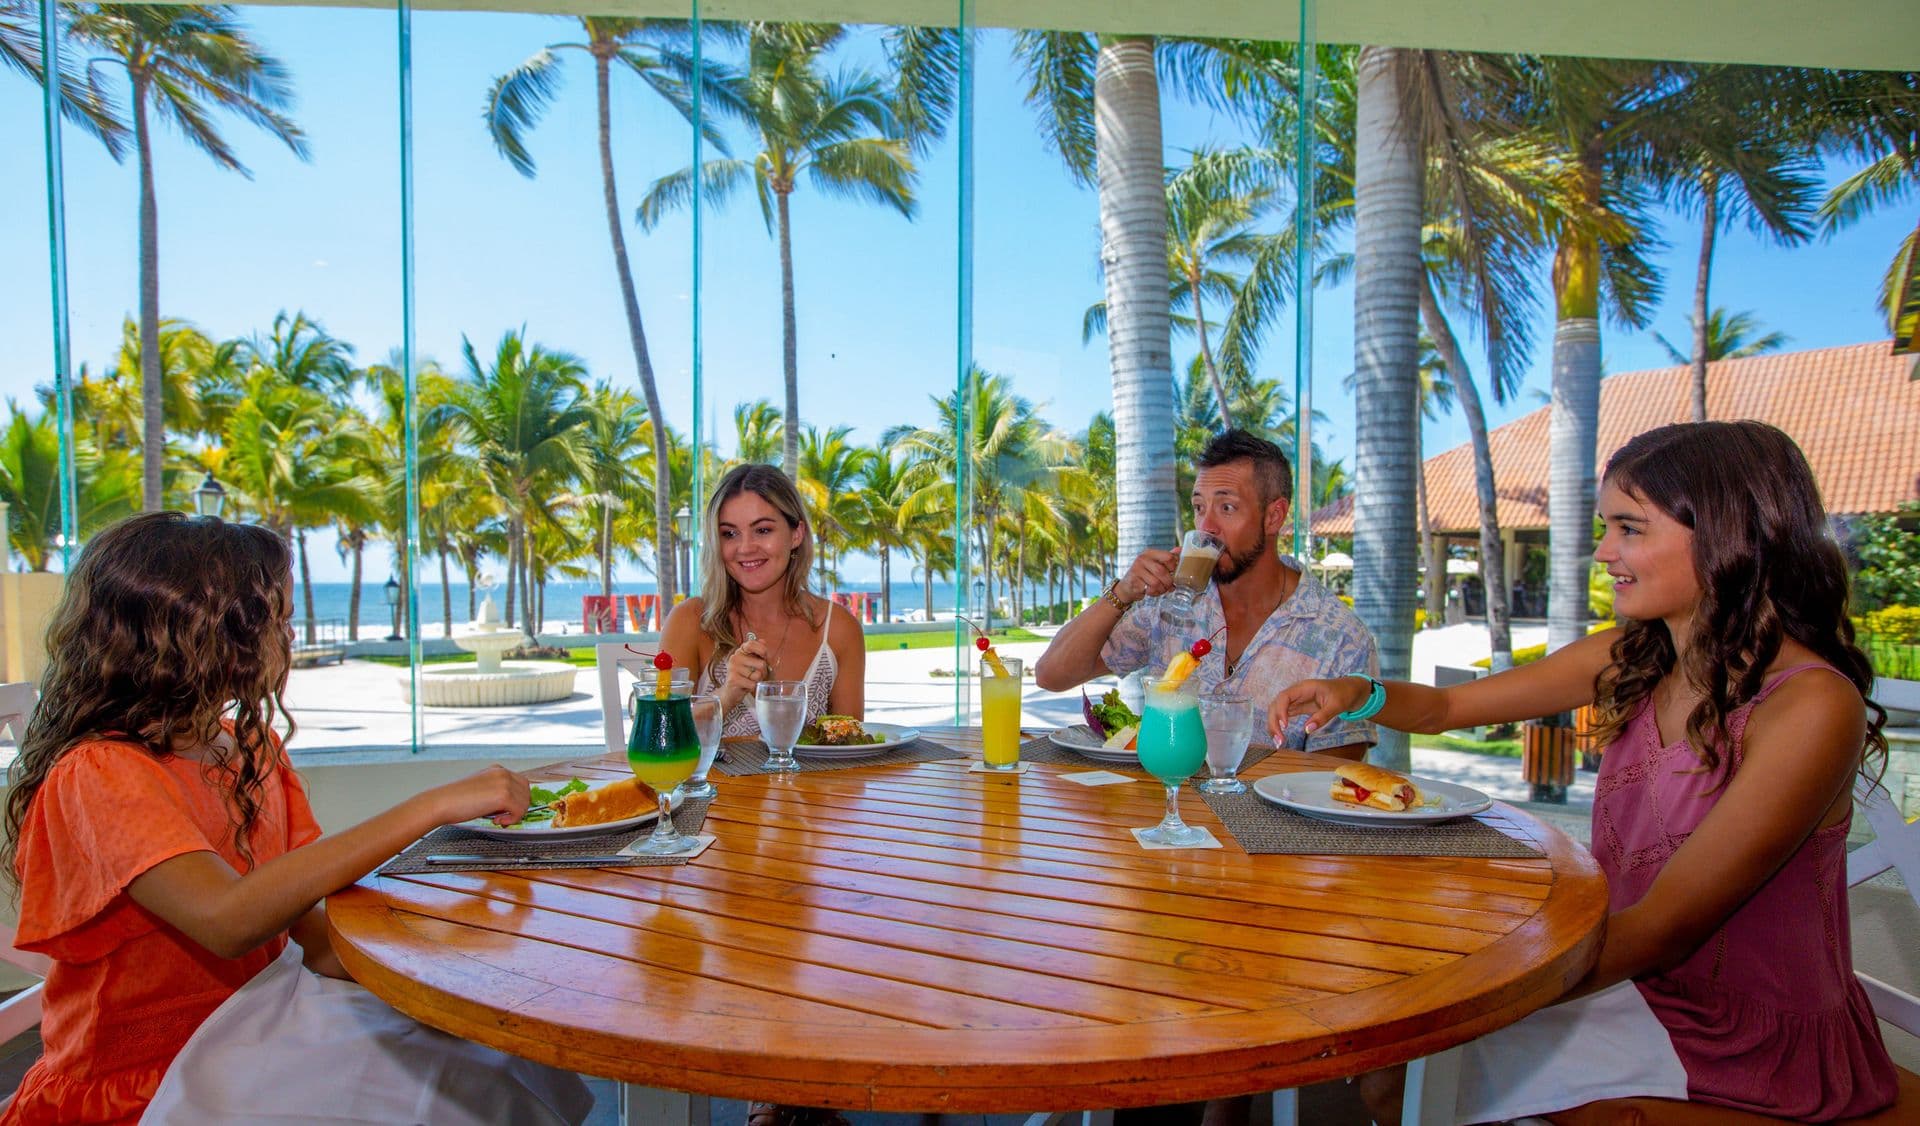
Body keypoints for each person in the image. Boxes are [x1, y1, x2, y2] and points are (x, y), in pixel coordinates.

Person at [1270, 421, 1900, 1124]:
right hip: (1629, 981)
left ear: (1732, 536)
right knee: (1399, 1076)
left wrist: (1451, 986)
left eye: (1630, 529)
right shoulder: (1634, 653)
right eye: (1606, 528)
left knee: (1411, 1075)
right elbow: (1450, 705)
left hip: (1740, 1032)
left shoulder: (1810, 705)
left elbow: (1665, 927)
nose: (1603, 552)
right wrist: (1360, 694)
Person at [0, 511, 591, 1125]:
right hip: (152, 1085)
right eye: (275, 619)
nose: (290, 634)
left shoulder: (250, 750)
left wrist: (449, 955)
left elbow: (308, 932)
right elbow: (227, 921)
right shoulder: (100, 773)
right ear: (197, 636)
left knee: (498, 1058)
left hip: (261, 1023)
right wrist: (432, 807)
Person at [1034, 429, 1376, 761]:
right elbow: (1052, 675)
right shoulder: (1166, 603)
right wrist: (1123, 592)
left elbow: (1333, 781)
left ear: (1274, 517)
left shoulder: (1340, 637)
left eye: (1226, 508)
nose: (1206, 527)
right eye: (1199, 507)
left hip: (1262, 819)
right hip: (1162, 811)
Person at [662, 463, 867, 738]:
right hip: (711, 784)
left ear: (796, 534)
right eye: (729, 534)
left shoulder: (839, 629)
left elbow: (851, 749)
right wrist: (727, 694)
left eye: (763, 530)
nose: (745, 548)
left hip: (811, 784)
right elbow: (659, 738)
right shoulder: (691, 621)